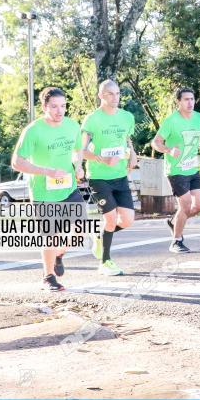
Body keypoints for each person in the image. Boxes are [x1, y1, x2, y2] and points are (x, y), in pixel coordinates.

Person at [11, 86, 85, 292]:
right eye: (54, 106)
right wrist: (46, 171)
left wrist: (78, 166)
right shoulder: (33, 130)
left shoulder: (72, 126)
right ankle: (48, 276)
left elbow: (77, 150)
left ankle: (59, 254)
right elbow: (17, 162)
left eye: (63, 106)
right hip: (44, 193)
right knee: (50, 236)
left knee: (79, 230)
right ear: (44, 106)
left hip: (68, 188)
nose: (59, 111)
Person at [81, 79, 137, 276]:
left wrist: (133, 153)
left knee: (128, 220)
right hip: (98, 177)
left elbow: (127, 140)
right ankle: (105, 262)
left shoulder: (127, 117)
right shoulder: (92, 120)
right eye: (110, 94)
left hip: (120, 175)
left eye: (118, 93)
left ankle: (100, 236)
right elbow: (80, 151)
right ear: (101, 96)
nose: (115, 98)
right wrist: (101, 158)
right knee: (111, 219)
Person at [151, 87, 200, 253]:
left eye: (192, 99)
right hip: (176, 170)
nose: (190, 102)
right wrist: (169, 150)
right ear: (179, 102)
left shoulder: (198, 117)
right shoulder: (171, 121)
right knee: (185, 207)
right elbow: (155, 142)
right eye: (186, 99)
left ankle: (175, 221)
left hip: (192, 168)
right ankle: (176, 241)